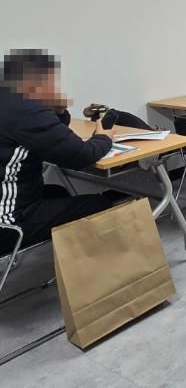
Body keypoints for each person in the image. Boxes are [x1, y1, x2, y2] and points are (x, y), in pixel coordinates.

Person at [0, 49, 117, 255]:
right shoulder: (27, 111)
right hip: (7, 225)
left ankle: (66, 262)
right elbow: (81, 156)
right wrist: (103, 138)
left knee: (57, 193)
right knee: (100, 204)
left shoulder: (11, 102)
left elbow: (50, 134)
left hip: (17, 202)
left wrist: (58, 110)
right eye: (51, 81)